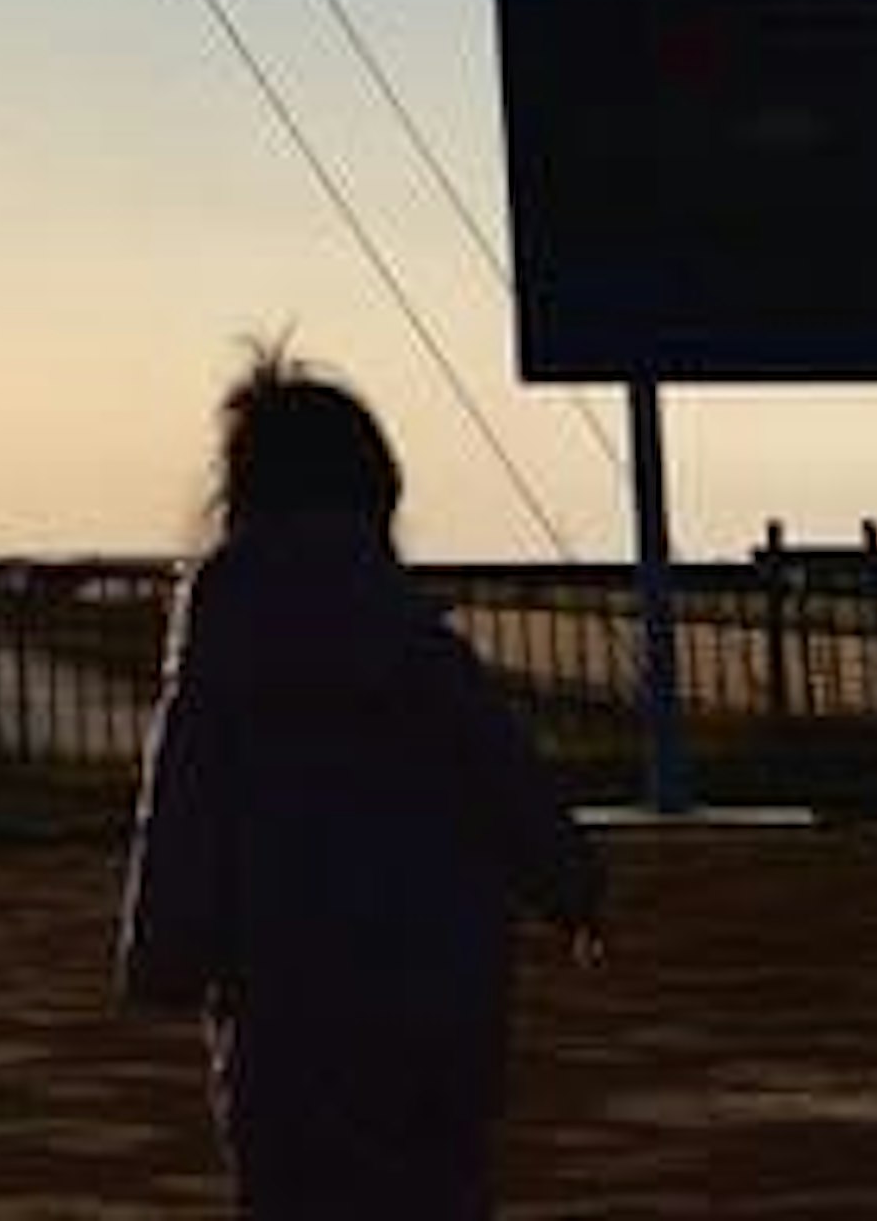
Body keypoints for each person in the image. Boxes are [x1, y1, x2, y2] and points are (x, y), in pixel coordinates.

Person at [120, 348, 601, 1221]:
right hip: (440, 1006)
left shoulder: (221, 659)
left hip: (285, 1023)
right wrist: (572, 888)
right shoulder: (421, 647)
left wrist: (165, 952)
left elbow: (182, 814)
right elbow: (507, 777)